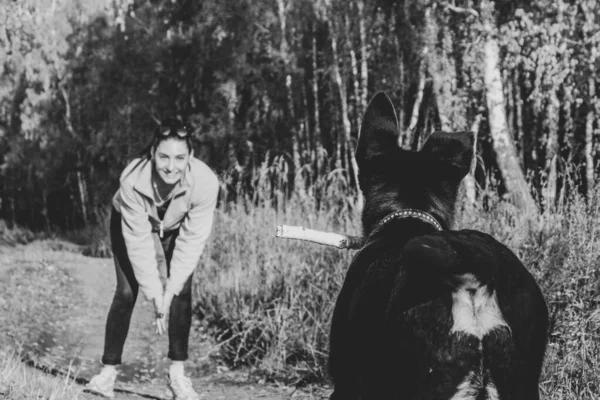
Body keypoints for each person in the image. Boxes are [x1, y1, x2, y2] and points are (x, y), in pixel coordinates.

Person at [86, 118, 219, 400]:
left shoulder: (205, 183)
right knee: (125, 292)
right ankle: (107, 375)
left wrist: (169, 291)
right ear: (152, 154)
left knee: (181, 288)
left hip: (174, 225)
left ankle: (177, 376)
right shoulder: (132, 181)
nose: (171, 166)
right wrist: (155, 295)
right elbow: (139, 245)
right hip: (129, 220)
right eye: (164, 157)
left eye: (180, 158)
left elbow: (191, 243)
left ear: (190, 157)